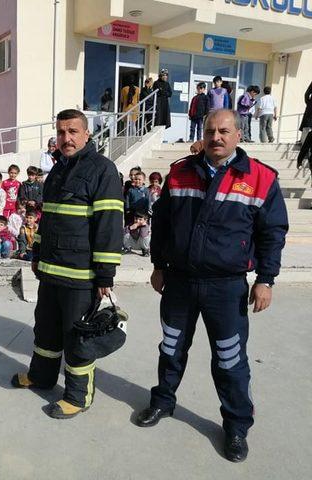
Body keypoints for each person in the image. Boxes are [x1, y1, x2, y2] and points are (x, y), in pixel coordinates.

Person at [135, 109, 288, 463]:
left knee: (230, 359)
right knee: (171, 348)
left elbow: (272, 233)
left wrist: (265, 279)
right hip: (180, 282)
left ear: (238, 135)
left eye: (224, 131)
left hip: (226, 287)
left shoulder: (261, 179)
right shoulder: (180, 172)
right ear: (201, 134)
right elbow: (163, 223)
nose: (216, 137)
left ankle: (236, 425)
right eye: (209, 130)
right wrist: (158, 265)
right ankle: (162, 402)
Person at [11, 109, 123, 419]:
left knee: (78, 339)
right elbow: (46, 222)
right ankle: (42, 377)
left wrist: (105, 274)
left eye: (73, 131)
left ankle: (78, 396)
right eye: (61, 132)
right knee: (45, 331)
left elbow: (109, 224)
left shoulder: (103, 170)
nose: (66, 138)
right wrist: (36, 255)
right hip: (50, 272)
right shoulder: (57, 171)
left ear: (87, 134)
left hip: (81, 276)